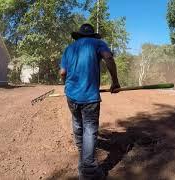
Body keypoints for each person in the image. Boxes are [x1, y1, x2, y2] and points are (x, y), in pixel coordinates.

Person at [59, 23, 120, 180]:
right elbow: (108, 57)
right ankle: (89, 170)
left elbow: (63, 72)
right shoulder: (98, 43)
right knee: (89, 130)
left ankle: (83, 160)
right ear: (92, 36)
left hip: (71, 95)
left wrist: (67, 84)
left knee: (78, 124)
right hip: (89, 97)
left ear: (79, 35)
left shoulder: (69, 48)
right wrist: (115, 81)